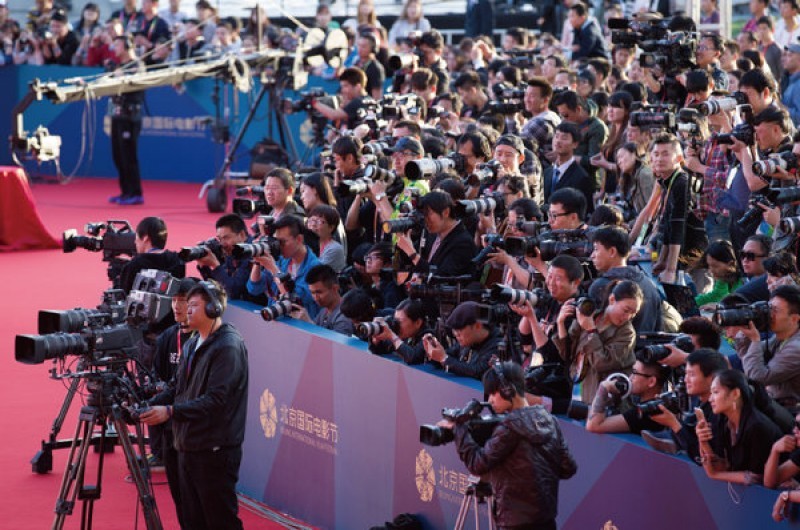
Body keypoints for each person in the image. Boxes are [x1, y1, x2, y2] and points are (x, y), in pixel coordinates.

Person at [141, 280, 248, 530]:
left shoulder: (228, 347)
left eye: (193, 306)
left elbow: (216, 401)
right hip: (186, 446)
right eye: (186, 305)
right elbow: (176, 387)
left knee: (220, 521)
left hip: (215, 449)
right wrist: (148, 405)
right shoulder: (192, 343)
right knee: (191, 520)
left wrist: (170, 412)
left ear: (213, 309)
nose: (186, 310)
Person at [441, 362, 577, 529]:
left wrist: (459, 429)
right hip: (546, 521)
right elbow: (568, 468)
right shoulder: (551, 420)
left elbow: (477, 464)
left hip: (515, 523)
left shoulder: (509, 427)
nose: (489, 400)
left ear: (508, 390)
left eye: (493, 393)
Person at [150, 276, 197, 528]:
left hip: (194, 428)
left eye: (184, 301)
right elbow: (157, 375)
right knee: (178, 493)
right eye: (175, 301)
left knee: (196, 497)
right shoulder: (168, 336)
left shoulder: (208, 339)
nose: (177, 307)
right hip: (169, 428)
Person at [554, 280, 642, 402]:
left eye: (634, 313)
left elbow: (602, 363)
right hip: (579, 387)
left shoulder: (627, 333)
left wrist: (591, 331)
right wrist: (560, 323)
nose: (628, 317)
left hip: (604, 399)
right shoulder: (590, 315)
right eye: (626, 310)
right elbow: (566, 354)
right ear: (612, 300)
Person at [696, 369, 782, 484]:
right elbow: (723, 464)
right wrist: (703, 441)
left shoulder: (757, 426)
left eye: (716, 392)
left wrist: (715, 475)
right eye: (711, 393)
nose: (710, 399)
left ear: (735, 394)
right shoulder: (724, 421)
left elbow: (756, 477)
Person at [731, 285, 800, 411]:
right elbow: (748, 359)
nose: (769, 315)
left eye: (776, 311)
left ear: (794, 318)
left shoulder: (796, 348)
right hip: (776, 404)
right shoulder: (780, 338)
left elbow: (757, 376)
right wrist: (745, 328)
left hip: (791, 412)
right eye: (769, 308)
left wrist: (755, 340)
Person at [588, 226, 662, 332]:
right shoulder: (648, 283)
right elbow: (658, 328)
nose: (592, 255)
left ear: (612, 251)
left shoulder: (601, 286)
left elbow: (592, 333)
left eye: (596, 249)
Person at [247, 215, 321, 319]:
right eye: (277, 241)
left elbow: (296, 301)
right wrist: (257, 260)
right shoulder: (281, 260)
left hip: (300, 328)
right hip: (274, 320)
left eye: (282, 242)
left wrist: (274, 269)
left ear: (299, 239)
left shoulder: (316, 268)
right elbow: (254, 288)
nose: (278, 246)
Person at [395, 191, 478, 277]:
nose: (425, 219)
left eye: (428, 213)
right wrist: (403, 241)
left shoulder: (463, 243)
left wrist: (412, 253)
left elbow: (442, 277)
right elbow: (405, 263)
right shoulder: (431, 233)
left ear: (446, 212)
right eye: (423, 214)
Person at [108, 34, 146, 205]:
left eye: (118, 44)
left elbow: (135, 87)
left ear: (127, 46)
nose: (114, 48)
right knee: (118, 155)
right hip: (117, 115)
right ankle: (124, 191)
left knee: (129, 155)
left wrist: (120, 76)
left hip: (130, 117)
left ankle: (135, 192)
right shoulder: (118, 66)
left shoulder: (137, 65)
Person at [586, 358, 671, 434]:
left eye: (634, 373)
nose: (630, 378)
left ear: (651, 381)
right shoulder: (660, 406)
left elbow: (593, 425)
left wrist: (603, 388)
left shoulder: (647, 412)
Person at [422, 301, 501, 379]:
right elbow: (449, 355)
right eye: (454, 330)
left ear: (477, 326)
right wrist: (433, 351)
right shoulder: (467, 341)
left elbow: (478, 371)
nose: (455, 334)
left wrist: (444, 358)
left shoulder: (499, 344)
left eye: (459, 329)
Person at [119, 216, 185, 294]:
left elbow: (124, 297)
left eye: (136, 237)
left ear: (145, 238)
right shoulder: (177, 260)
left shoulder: (134, 265)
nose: (135, 242)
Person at [195, 214, 252, 301]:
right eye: (220, 239)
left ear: (242, 235)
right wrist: (205, 266)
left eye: (226, 238)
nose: (222, 244)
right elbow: (219, 286)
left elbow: (234, 292)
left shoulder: (252, 253)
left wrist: (215, 265)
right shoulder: (231, 250)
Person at [290, 264, 354, 336]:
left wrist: (309, 324)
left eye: (319, 292)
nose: (315, 298)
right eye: (312, 292)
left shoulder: (345, 316)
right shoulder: (324, 310)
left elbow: (335, 346)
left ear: (335, 288)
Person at [543, 123, 594, 210]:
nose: (558, 141)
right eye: (556, 136)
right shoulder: (547, 172)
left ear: (575, 144)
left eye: (564, 138)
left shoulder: (581, 177)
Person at [369, 298, 432, 363]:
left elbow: (413, 358)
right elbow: (381, 350)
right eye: (395, 320)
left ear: (418, 323)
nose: (396, 324)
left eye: (400, 321)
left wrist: (392, 337)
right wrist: (376, 340)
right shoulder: (403, 333)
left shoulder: (429, 336)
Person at [693, 241, 744, 309]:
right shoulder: (723, 275)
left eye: (715, 266)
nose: (711, 270)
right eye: (709, 265)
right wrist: (690, 303)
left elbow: (721, 296)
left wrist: (720, 306)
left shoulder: (743, 280)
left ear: (730, 264)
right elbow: (716, 294)